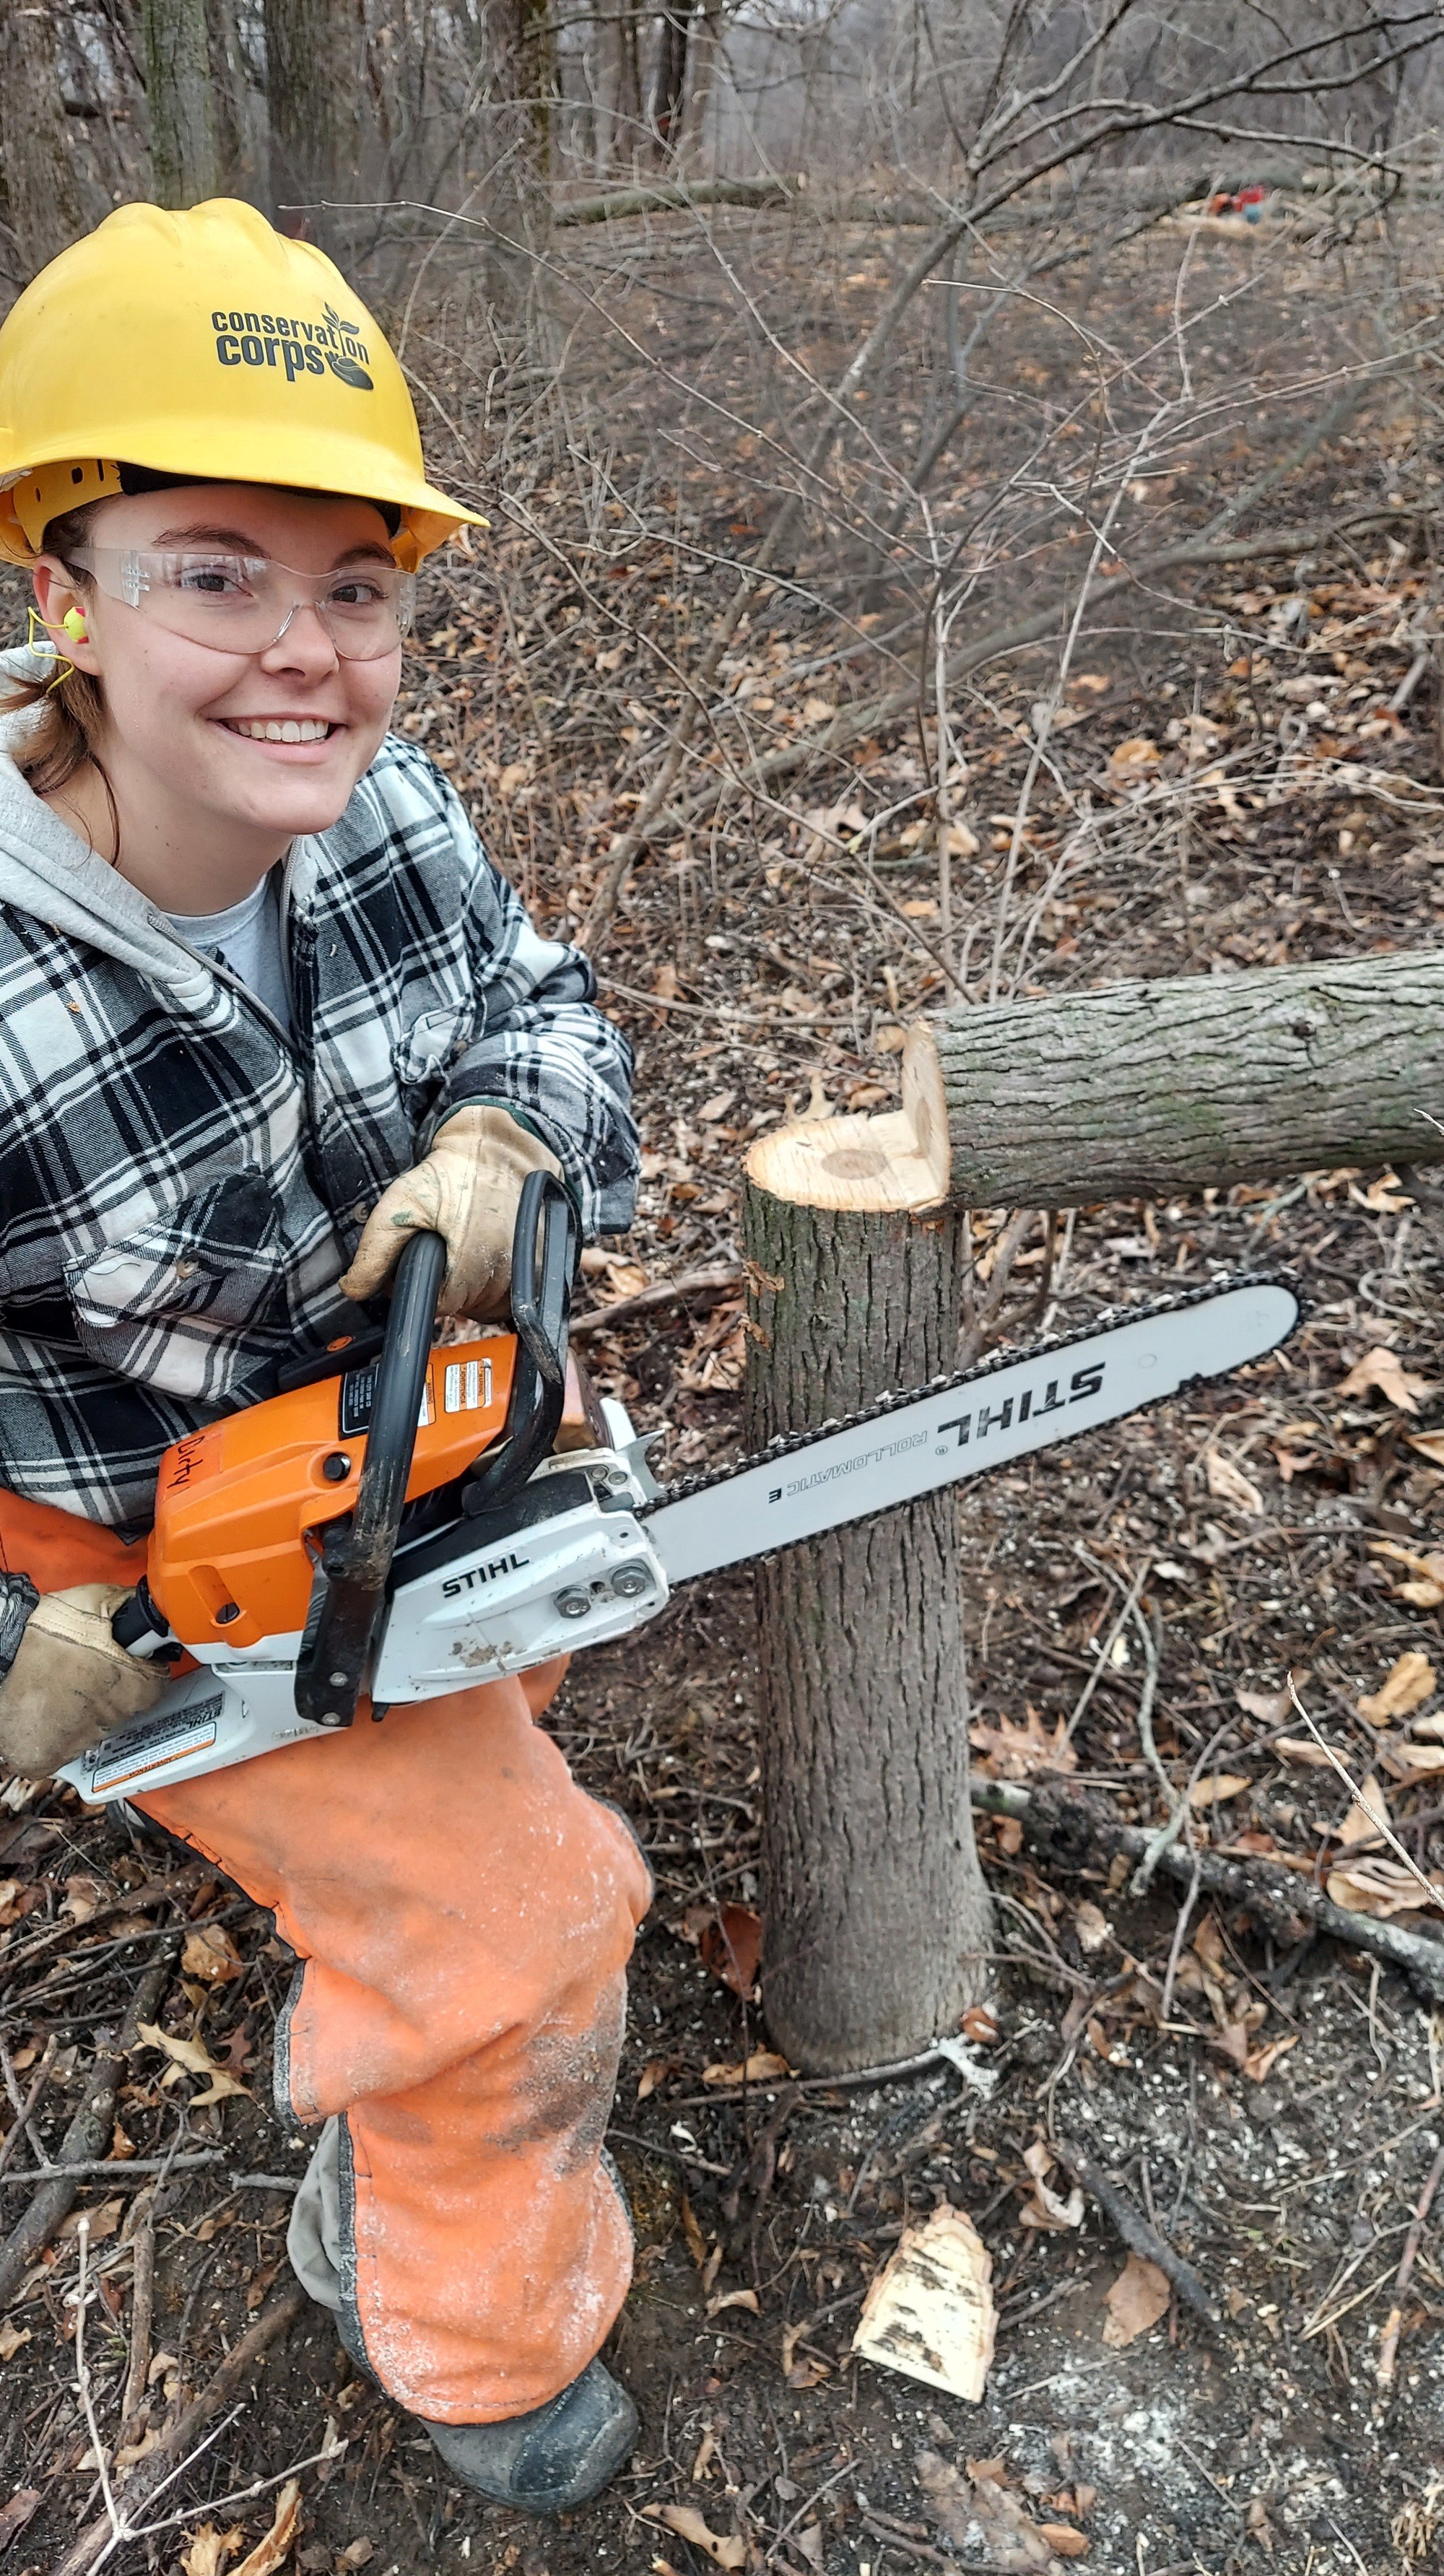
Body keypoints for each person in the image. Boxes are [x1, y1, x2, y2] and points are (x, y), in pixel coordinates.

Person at [0, 198, 651, 2514]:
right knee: (530, 1908)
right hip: (127, 1560)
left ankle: (390, 1958)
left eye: (355, 585)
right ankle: (467, 2329)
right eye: (216, 571)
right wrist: (27, 1631)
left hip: (398, 1446)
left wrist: (502, 1134)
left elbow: (547, 1002)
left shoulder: (389, 816)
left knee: (510, 1707)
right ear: (61, 588)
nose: (309, 656)